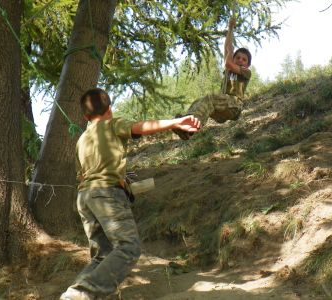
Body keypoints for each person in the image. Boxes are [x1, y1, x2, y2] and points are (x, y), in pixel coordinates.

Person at [60, 88, 200, 300]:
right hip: (106, 194)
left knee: (102, 255)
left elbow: (83, 174)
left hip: (84, 198)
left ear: (85, 117)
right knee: (129, 247)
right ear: (110, 109)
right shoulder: (113, 124)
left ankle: (73, 295)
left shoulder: (81, 140)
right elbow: (141, 127)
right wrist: (173, 123)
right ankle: (80, 295)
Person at [172, 17, 252, 140]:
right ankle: (187, 129)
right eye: (238, 58)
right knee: (199, 101)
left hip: (234, 105)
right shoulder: (229, 70)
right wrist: (230, 29)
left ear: (247, 64)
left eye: (244, 59)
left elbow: (228, 61)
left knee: (210, 98)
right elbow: (227, 49)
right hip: (222, 110)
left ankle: (189, 125)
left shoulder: (246, 72)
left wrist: (230, 55)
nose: (240, 60)